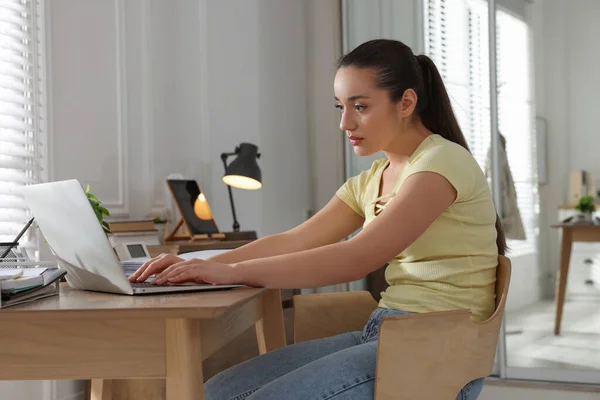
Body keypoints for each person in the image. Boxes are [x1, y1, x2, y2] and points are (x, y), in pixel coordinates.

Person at [129, 38, 506, 400]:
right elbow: (295, 239)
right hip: (386, 331)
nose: (345, 123)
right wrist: (200, 264)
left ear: (406, 102)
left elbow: (359, 257)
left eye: (360, 106)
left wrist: (235, 271)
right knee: (217, 392)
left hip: (438, 349)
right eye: (340, 107)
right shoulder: (373, 178)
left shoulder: (440, 163)